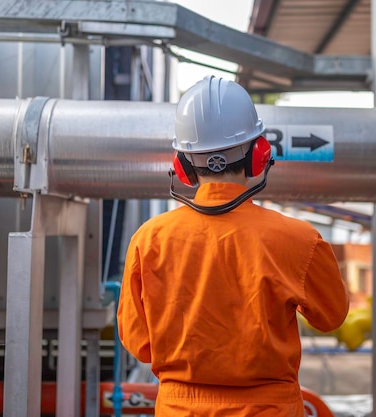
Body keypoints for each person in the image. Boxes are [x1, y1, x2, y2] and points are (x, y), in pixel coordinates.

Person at [117, 75, 349, 416]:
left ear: (181, 167)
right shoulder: (300, 241)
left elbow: (140, 343)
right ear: (260, 155)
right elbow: (332, 316)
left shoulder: (148, 241)